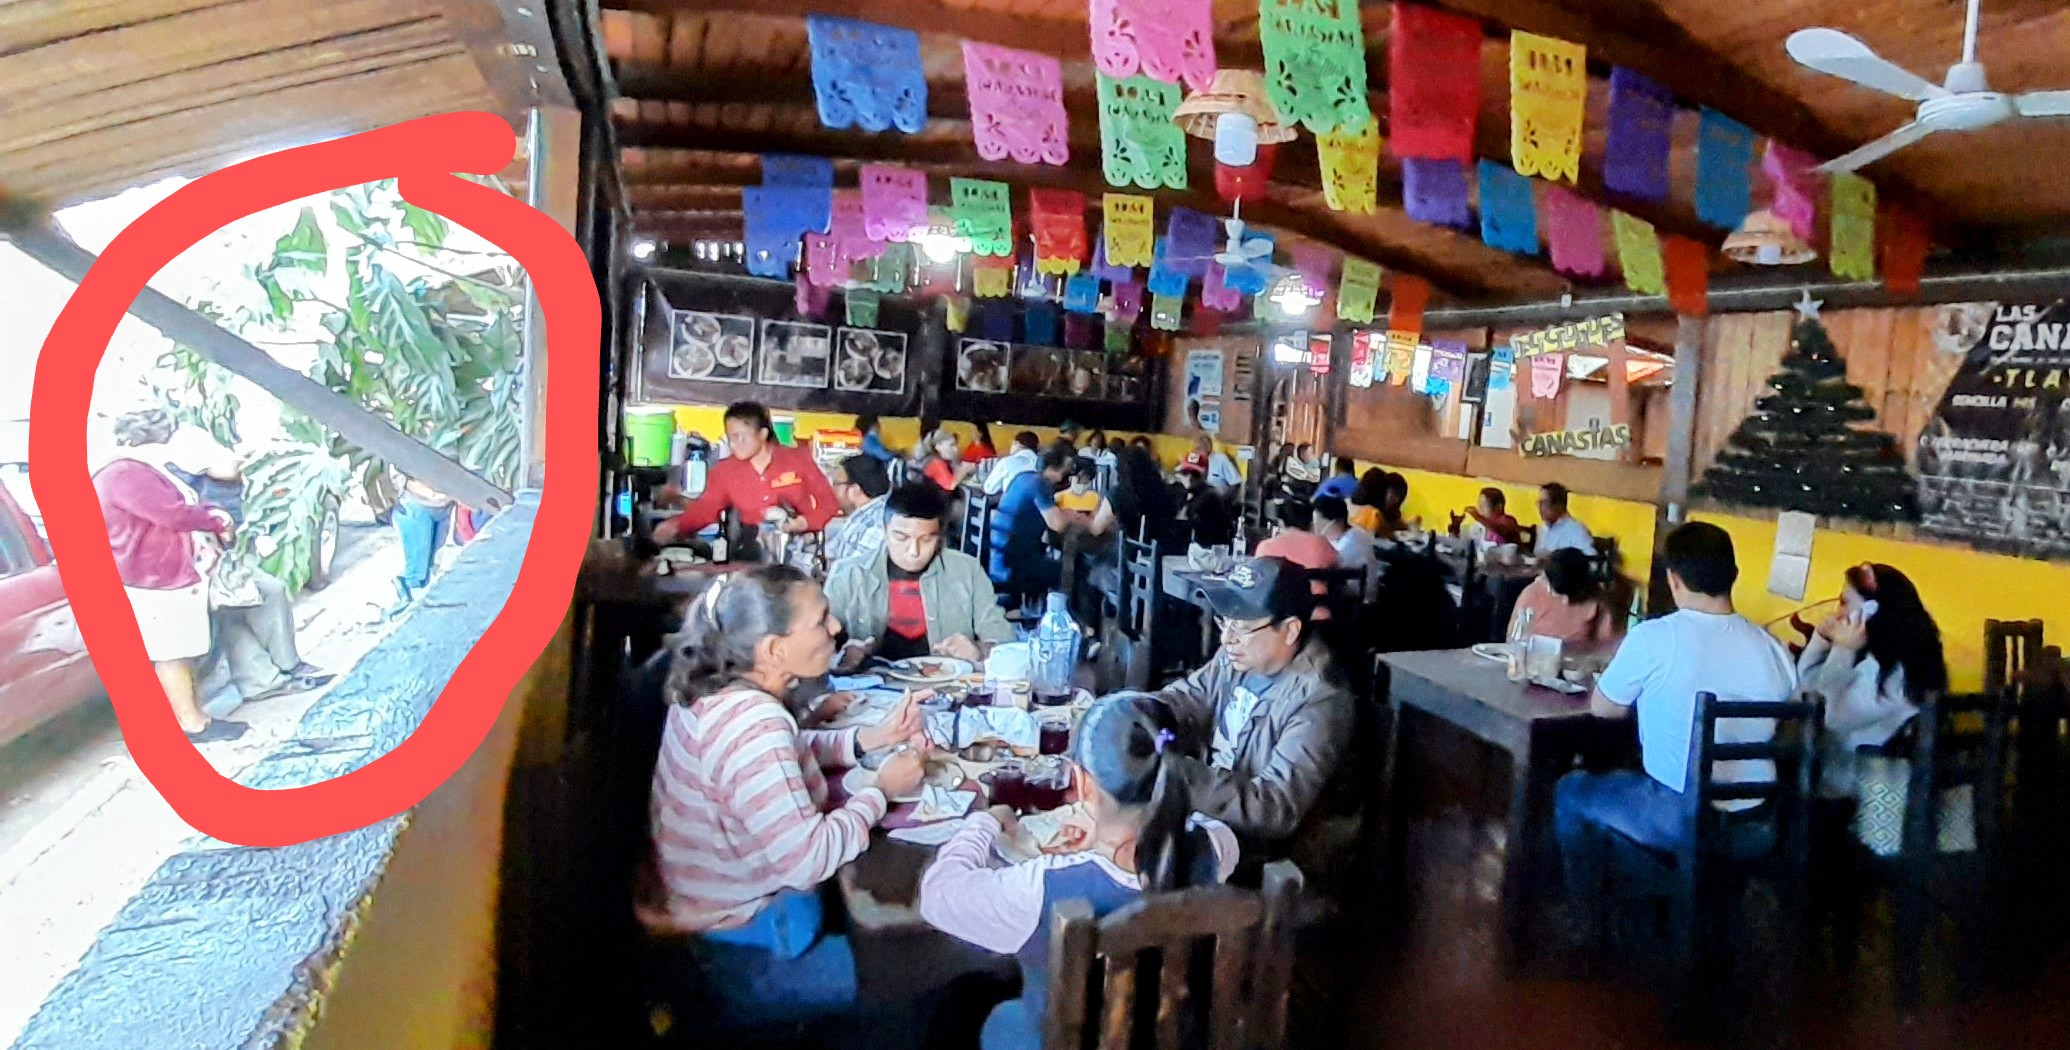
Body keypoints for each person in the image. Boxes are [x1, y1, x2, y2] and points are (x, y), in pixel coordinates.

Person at [638, 565, 929, 1031]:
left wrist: (869, 740)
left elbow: (784, 756)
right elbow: (808, 860)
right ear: (773, 649)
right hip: (745, 956)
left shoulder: (719, 692)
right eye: (821, 620)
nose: (836, 628)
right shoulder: (754, 724)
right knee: (926, 974)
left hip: (707, 924)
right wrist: (881, 791)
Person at [919, 695, 1241, 1050]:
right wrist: (1105, 837)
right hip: (1177, 1034)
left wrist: (984, 821)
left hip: (1062, 1039)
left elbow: (937, 896)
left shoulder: (1045, 887)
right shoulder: (1217, 846)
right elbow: (1200, 827)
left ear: (1083, 784)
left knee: (959, 1009)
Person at [1555, 522, 1797, 937]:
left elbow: (1604, 708)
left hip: (1682, 817)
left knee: (1572, 791)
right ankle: (1687, 903)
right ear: (1733, 576)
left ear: (1673, 579)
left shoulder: (1655, 637)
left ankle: (1591, 918)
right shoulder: (1772, 647)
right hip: (1759, 824)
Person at [1149, 557, 1355, 858]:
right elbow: (1190, 696)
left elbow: (1275, 807)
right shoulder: (1239, 655)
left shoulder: (1319, 700)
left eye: (1242, 626)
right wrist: (1140, 712)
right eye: (1225, 621)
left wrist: (1183, 778)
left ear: (1290, 630)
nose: (1227, 638)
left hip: (1262, 852)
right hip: (1211, 810)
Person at [94, 410, 245, 743]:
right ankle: (193, 723)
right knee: (172, 652)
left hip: (157, 570)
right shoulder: (124, 473)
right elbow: (172, 513)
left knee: (180, 649)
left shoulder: (128, 469)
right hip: (151, 574)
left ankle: (196, 717)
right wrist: (216, 520)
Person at [826, 482, 1017, 665]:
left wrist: (979, 650)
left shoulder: (967, 571)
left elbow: (1003, 641)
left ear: (940, 537)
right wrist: (843, 657)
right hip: (871, 690)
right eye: (901, 537)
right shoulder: (848, 575)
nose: (913, 551)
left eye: (926, 540)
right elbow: (819, 644)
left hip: (946, 688)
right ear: (885, 531)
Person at [1798, 563, 1944, 799]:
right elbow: (1807, 688)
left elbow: (1828, 717)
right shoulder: (1904, 656)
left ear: (1870, 610)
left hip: (1861, 795)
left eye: (1845, 603)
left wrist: (1842, 650)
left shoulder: (1890, 671)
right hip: (1874, 782)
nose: (1838, 614)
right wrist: (1821, 640)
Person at [656, 401, 840, 545]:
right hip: (752, 547)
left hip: (802, 544)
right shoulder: (724, 471)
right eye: (731, 438)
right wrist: (676, 525)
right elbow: (706, 511)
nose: (734, 444)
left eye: (740, 437)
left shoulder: (798, 459)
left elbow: (829, 504)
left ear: (762, 434)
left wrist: (805, 523)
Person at [987, 444, 1076, 599]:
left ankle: (1033, 610)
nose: (1067, 476)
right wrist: (1074, 515)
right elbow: (1058, 525)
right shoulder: (1040, 484)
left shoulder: (1023, 477)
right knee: (1072, 571)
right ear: (1055, 469)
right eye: (1066, 471)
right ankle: (1062, 616)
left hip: (999, 558)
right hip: (1013, 565)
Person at [1507, 548, 1623, 650]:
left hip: (1578, 663)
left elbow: (1608, 645)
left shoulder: (1597, 598)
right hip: (1537, 662)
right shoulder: (1532, 595)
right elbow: (1513, 640)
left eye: (1571, 595)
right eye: (1559, 594)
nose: (1566, 601)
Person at [1254, 499, 1340, 621]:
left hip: (1279, 611)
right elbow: (1337, 564)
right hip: (1317, 610)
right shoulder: (1321, 543)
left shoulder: (1266, 546)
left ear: (1281, 522)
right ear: (1310, 522)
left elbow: (1259, 581)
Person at [388, 475, 455, 616]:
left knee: (433, 566)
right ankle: (407, 613)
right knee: (416, 573)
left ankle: (421, 610)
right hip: (415, 504)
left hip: (444, 505)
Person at [823, 453, 893, 567]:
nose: (831, 490)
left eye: (836, 484)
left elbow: (850, 580)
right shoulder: (883, 511)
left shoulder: (871, 525)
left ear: (854, 491)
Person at [1313, 496, 1374, 591]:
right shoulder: (1356, 532)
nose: (1317, 527)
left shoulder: (1349, 545)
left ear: (1337, 521)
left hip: (1353, 597)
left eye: (1320, 522)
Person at [1176, 462, 1237, 548]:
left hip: (1208, 548)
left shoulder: (1208, 496)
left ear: (1203, 476)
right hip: (1197, 544)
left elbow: (1188, 524)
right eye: (1185, 473)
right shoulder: (1189, 493)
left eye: (1195, 475)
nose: (1190, 478)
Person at [1533, 482, 1594, 557]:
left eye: (1544, 503)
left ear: (1559, 505)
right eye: (1539, 503)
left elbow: (1591, 559)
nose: (1540, 508)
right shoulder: (1543, 528)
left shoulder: (1576, 530)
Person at [982, 431, 1043, 496]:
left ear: (1016, 443)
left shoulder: (1007, 461)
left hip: (1011, 503)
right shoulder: (1042, 463)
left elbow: (989, 489)